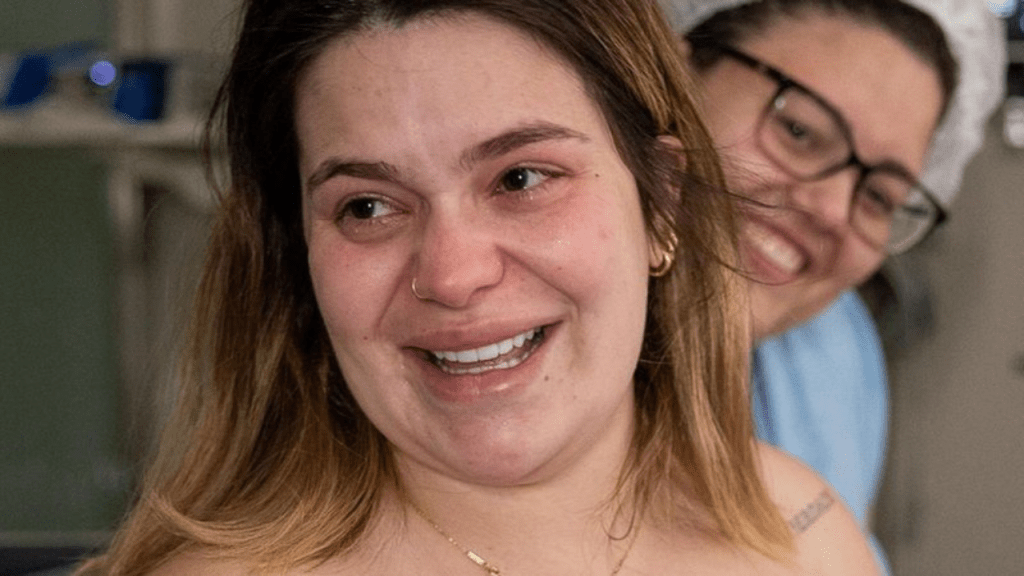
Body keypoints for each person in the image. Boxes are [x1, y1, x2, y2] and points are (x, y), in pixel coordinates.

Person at [75, 0, 879, 575]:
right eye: (368, 206)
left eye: (521, 177)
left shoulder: (801, 532)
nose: (453, 276)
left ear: (662, 204)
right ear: (298, 259)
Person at [657, 0, 1004, 571]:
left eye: (880, 198)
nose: (834, 212)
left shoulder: (835, 349)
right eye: (799, 131)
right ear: (671, 73)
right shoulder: (514, 345)